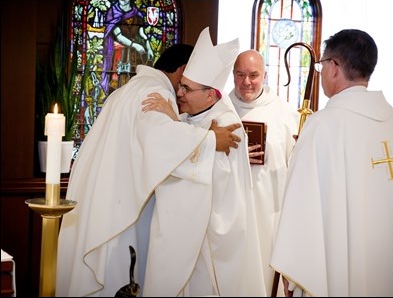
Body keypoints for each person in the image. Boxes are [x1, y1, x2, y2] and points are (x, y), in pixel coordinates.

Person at [55, 43, 243, 297]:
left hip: (105, 202)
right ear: (184, 69)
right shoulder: (156, 92)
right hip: (122, 215)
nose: (181, 93)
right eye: (184, 85)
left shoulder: (128, 90)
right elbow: (162, 144)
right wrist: (211, 140)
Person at [270, 29, 393, 297]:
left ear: (334, 67)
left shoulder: (321, 126)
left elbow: (301, 206)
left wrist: (293, 274)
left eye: (321, 65)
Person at [141, 27, 267, 296]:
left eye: (187, 88)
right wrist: (177, 125)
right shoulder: (189, 117)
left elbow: (205, 178)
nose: (179, 92)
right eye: (181, 85)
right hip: (187, 234)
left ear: (210, 95)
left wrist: (179, 129)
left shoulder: (227, 125)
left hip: (209, 241)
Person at [228, 49, 299, 295]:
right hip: (231, 214)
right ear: (233, 75)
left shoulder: (286, 114)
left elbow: (295, 167)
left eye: (253, 75)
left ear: (265, 75)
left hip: (270, 212)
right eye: (240, 75)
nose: (246, 82)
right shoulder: (220, 111)